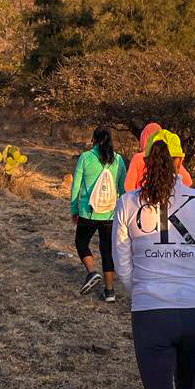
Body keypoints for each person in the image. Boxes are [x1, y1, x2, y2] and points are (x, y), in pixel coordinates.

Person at [112, 132, 195, 389]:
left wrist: (143, 291)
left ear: (144, 161)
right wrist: (189, 288)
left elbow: (123, 265)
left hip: (149, 313)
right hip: (194, 311)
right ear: (180, 161)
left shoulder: (127, 202)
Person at [70, 127, 127, 301]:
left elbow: (76, 187)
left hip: (88, 212)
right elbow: (123, 189)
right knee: (107, 250)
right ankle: (110, 291)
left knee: (81, 243)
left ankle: (92, 272)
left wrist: (74, 209)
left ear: (93, 139)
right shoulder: (118, 160)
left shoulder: (85, 157)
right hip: (109, 214)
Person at [125, 122, 193, 191]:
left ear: (143, 138)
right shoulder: (170, 158)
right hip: (168, 198)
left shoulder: (138, 158)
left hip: (142, 198)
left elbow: (128, 187)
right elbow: (188, 182)